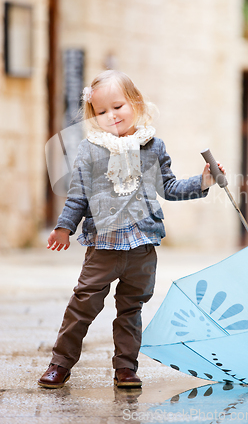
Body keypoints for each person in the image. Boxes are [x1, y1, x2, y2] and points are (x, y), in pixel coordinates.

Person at [38, 70, 225, 389]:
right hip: (104, 246)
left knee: (130, 309)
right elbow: (78, 194)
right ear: (93, 116)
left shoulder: (153, 146)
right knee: (82, 305)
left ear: (136, 103)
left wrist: (203, 181)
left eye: (118, 106)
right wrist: (63, 227)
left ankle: (125, 367)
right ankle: (61, 363)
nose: (111, 116)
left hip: (142, 246)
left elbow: (168, 186)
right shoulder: (89, 149)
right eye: (101, 111)